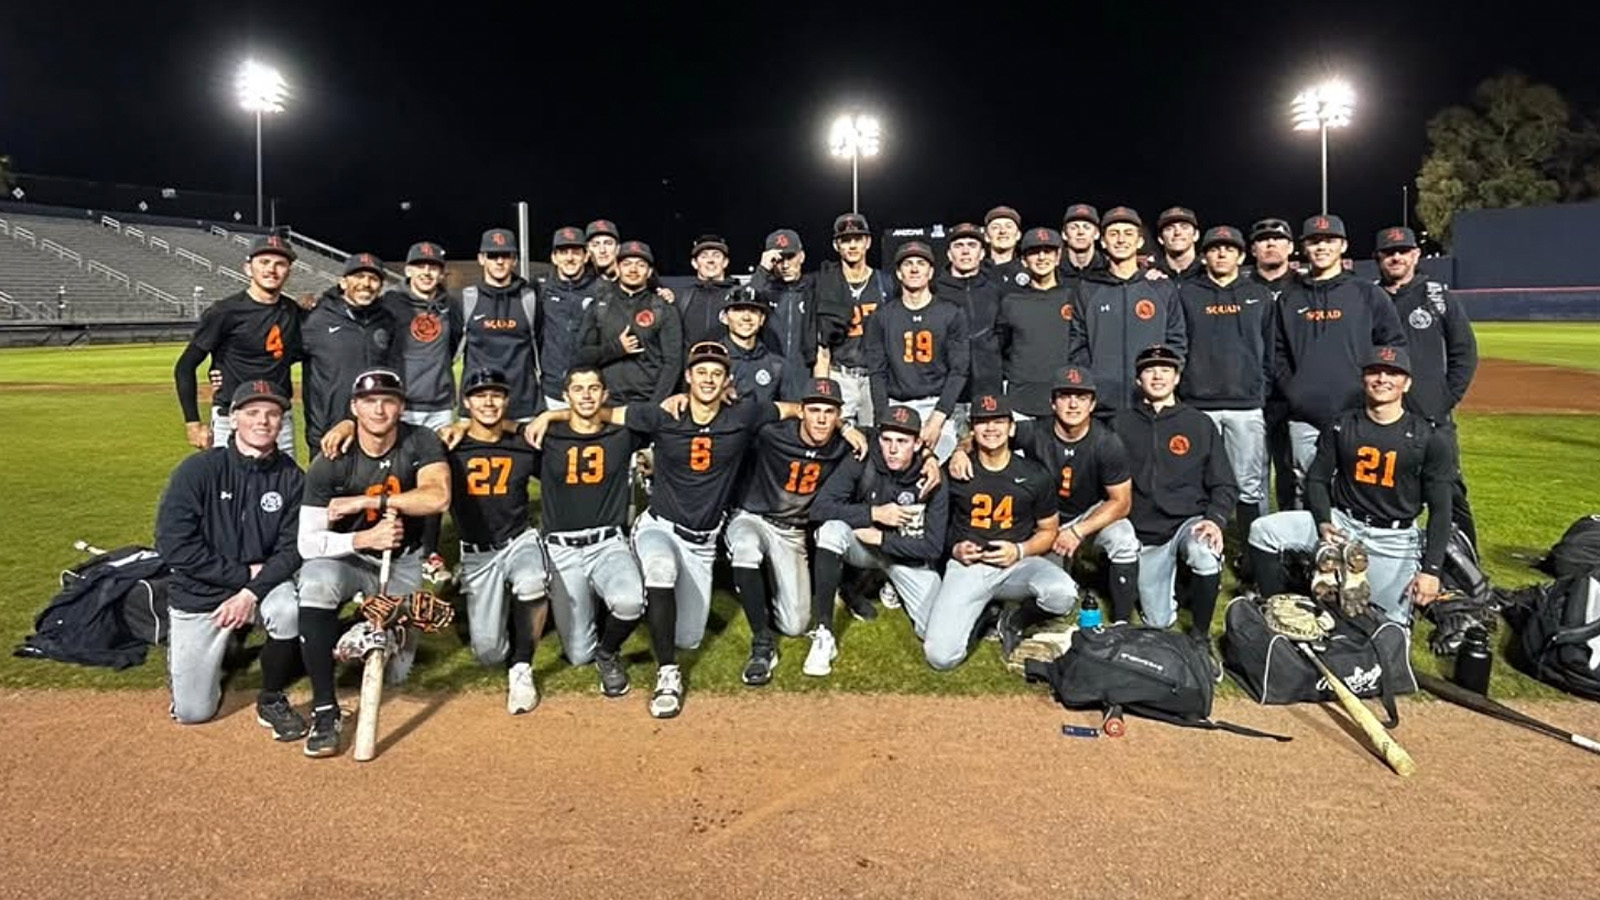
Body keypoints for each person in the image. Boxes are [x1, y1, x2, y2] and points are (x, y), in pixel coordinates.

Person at [527, 341, 807, 718]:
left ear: (727, 381)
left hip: (703, 540)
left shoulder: (744, 414)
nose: (708, 379)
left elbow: (796, 409)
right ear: (688, 377)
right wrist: (550, 417)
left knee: (688, 637)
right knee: (660, 570)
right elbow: (598, 413)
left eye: (716, 373)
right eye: (701, 372)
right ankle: (667, 674)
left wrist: (848, 430)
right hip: (660, 526)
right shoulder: (662, 415)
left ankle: (652, 618)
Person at [295, 369, 450, 757]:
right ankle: (326, 709)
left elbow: (437, 497)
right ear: (354, 407)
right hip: (347, 555)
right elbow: (307, 542)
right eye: (368, 402)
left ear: (401, 406)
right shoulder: (331, 459)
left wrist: (370, 503)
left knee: (396, 672)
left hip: (401, 560)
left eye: (388, 401)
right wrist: (364, 537)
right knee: (315, 582)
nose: (379, 409)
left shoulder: (420, 441)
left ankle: (354, 628)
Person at [1248, 346, 1454, 624]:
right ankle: (1275, 607)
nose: (1382, 379)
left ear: (1407, 383)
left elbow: (1441, 511)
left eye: (1393, 373)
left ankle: (1341, 578)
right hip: (1342, 525)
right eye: (1374, 372)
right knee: (1264, 531)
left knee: (1389, 627)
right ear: (1363, 379)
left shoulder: (1428, 437)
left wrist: (1431, 571)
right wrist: (1323, 521)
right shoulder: (1342, 425)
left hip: (1394, 539)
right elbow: (1317, 479)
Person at [156, 381, 305, 738]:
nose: (263, 421)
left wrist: (250, 592)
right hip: (201, 591)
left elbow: (293, 550)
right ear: (233, 418)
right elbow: (173, 545)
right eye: (252, 412)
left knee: (288, 608)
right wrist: (239, 575)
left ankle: (271, 697)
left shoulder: (292, 478)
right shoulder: (198, 470)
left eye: (272, 414)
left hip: (260, 587)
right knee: (194, 712)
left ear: (282, 422)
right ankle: (208, 649)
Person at [948, 365, 1139, 622]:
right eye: (1065, 396)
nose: (1073, 405)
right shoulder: (1035, 431)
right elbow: (987, 435)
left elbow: (1122, 502)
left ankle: (1122, 622)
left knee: (1124, 537)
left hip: (1087, 517)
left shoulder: (1106, 442)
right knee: (1052, 589)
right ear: (1052, 403)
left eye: (1081, 397)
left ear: (1092, 404)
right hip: (1044, 522)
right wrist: (960, 451)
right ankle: (1007, 614)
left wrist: (1077, 531)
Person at [724, 377, 860, 685]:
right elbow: (742, 415)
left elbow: (894, 441)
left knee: (796, 624)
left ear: (839, 416)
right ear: (801, 411)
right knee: (745, 548)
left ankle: (760, 589)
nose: (822, 418)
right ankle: (762, 645)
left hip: (793, 533)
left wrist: (932, 459)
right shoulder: (772, 434)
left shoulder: (843, 445)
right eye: (814, 410)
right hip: (754, 518)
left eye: (829, 411)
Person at [924, 393, 1073, 670]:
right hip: (969, 567)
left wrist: (1020, 550)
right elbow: (934, 528)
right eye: (983, 422)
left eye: (998, 421)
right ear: (972, 429)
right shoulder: (954, 472)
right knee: (941, 658)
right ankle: (984, 615)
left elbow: (1049, 530)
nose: (991, 428)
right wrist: (955, 548)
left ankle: (1013, 619)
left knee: (1062, 594)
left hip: (1018, 563)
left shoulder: (1034, 475)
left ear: (1012, 427)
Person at [534, 366, 650, 698]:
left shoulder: (622, 434)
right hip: (562, 549)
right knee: (577, 655)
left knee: (630, 603)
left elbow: (656, 418)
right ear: (566, 395)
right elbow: (500, 431)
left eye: (593, 388)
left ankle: (608, 651)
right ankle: (589, 618)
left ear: (604, 395)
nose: (586, 395)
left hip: (607, 544)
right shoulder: (546, 438)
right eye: (578, 389)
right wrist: (548, 418)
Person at [808, 404, 948, 676]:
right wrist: (872, 514)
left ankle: (885, 582)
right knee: (831, 531)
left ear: (918, 443)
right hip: (866, 548)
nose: (893, 449)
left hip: (909, 558)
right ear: (878, 439)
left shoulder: (932, 477)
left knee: (933, 631)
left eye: (903, 441)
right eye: (887, 440)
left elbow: (933, 547)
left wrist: (882, 537)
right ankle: (823, 632)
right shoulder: (863, 459)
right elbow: (820, 508)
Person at [1274, 215, 1407, 493]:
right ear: (1304, 248)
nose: (1321, 247)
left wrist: (1374, 394)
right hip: (1304, 417)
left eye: (1329, 241)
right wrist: (1296, 391)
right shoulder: (1289, 297)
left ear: (1343, 246)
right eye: (1313, 241)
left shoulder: (1367, 293)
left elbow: (1392, 346)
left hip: (1357, 414)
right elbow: (1277, 352)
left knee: (1357, 490)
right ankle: (1311, 539)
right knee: (1306, 488)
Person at [1114, 346, 1237, 642]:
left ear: (1177, 378)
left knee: (1204, 551)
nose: (1158, 376)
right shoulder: (1120, 423)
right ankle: (1175, 589)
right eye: (1149, 370)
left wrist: (1215, 519)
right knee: (1159, 621)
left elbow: (1225, 483)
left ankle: (1199, 637)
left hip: (1187, 522)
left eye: (1166, 370)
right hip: (1144, 530)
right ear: (1138, 379)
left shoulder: (1198, 423)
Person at [445, 368, 548, 715]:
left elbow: (561, 467)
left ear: (506, 400)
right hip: (477, 552)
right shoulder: (449, 446)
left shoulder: (523, 444)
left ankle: (523, 666)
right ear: (466, 402)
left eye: (496, 395)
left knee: (532, 581)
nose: (488, 402)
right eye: (480, 395)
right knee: (489, 654)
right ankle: (498, 606)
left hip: (518, 539)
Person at [1375, 225, 1480, 549]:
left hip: (1431, 413)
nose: (1396, 257)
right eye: (1389, 252)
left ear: (1415, 255)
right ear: (1379, 257)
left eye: (1403, 251)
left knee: (1447, 489)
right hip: (1385, 414)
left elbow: (1465, 351)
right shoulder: (1371, 298)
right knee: (1384, 485)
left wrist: (1446, 398)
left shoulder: (1436, 295)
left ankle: (1465, 561)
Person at [1176, 225, 1275, 549]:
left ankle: (1252, 554)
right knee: (1194, 482)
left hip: (1244, 405)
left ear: (1241, 255)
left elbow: (1271, 350)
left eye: (1229, 248)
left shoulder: (1258, 294)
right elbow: (1179, 344)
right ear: (1204, 256)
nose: (1221, 253)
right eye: (1215, 248)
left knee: (1248, 486)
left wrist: (1260, 388)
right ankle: (1199, 553)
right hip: (1197, 404)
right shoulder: (1187, 293)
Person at [174, 233, 300, 455]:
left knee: (283, 487)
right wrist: (192, 423)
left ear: (288, 271)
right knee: (228, 487)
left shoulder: (293, 312)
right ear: (248, 268)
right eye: (264, 262)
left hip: (278, 418)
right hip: (231, 417)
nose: (271, 269)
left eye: (280, 264)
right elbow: (185, 366)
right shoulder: (224, 312)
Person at [1069, 207, 1187, 419]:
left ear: (1140, 242)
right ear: (1103, 242)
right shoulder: (1088, 288)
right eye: (1114, 234)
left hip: (1151, 405)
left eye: (1128, 233)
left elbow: (1176, 341)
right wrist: (1092, 383)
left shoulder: (1161, 287)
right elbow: (1078, 342)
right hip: (1101, 407)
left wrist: (1163, 385)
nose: (1121, 240)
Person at [866, 240, 970, 459]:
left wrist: (938, 418)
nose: (914, 268)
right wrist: (884, 417)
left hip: (936, 405)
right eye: (908, 264)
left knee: (943, 466)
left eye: (921, 263)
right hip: (897, 403)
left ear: (930, 271)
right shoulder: (882, 317)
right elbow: (877, 372)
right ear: (899, 272)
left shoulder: (951, 313)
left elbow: (959, 370)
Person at [300, 253, 400, 451]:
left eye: (373, 278)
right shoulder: (315, 319)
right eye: (358, 276)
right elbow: (278, 357)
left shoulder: (387, 321)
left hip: (373, 431)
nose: (366, 283)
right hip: (327, 434)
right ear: (343, 282)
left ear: (380, 286)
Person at [574, 240, 684, 404]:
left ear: (649, 272)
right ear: (617, 269)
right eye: (627, 264)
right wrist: (616, 348)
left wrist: (655, 405)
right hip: (606, 403)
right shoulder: (599, 306)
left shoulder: (663, 308)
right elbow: (581, 356)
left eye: (640, 265)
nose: (633, 270)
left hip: (647, 401)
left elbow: (673, 363)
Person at [461, 227, 542, 422]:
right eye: (493, 255)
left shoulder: (529, 298)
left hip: (523, 407)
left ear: (514, 259)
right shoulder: (466, 299)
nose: (499, 261)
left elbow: (540, 346)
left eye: (506, 255)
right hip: (478, 405)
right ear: (481, 259)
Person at [993, 227, 1075, 419]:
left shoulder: (1074, 296)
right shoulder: (1010, 301)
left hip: (1064, 400)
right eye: (1033, 252)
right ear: (1023, 260)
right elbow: (1001, 347)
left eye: (1047, 251)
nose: (1041, 257)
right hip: (1020, 401)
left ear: (1058, 257)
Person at [817, 212, 891, 426]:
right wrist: (823, 385)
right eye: (845, 240)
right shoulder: (826, 284)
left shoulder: (884, 283)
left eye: (857, 239)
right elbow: (822, 345)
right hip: (840, 374)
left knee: (876, 438)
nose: (852, 246)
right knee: (835, 439)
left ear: (867, 242)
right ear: (836, 245)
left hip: (874, 377)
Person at [1249, 217, 1300, 512]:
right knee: (1253, 474)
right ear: (1253, 249)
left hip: (1292, 396)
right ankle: (1258, 542)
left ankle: (1293, 542)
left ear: (1290, 247)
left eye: (1277, 239)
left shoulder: (1305, 286)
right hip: (1252, 396)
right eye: (1263, 239)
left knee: (1292, 472)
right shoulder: (1241, 288)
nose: (1270, 244)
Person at [752, 228, 836, 400]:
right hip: (767, 375)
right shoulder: (763, 292)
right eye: (778, 259)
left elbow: (823, 344)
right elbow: (741, 309)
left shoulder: (815, 289)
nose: (785, 265)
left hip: (803, 375)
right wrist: (762, 270)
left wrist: (820, 387)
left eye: (790, 257)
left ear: (802, 257)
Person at [385, 241, 460, 432]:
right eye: (420, 266)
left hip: (440, 407)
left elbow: (452, 346)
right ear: (408, 270)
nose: (426, 272)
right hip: (402, 404)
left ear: (442, 274)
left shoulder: (451, 305)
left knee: (439, 461)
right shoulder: (390, 303)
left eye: (433, 267)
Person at [933, 221, 1004, 412]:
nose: (965, 251)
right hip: (946, 393)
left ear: (981, 253)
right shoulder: (934, 291)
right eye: (959, 246)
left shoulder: (994, 290)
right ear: (949, 254)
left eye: (972, 246)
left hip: (988, 389)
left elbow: (1004, 335)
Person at [535, 226, 602, 412]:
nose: (570, 258)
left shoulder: (602, 289)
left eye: (576, 252)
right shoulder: (540, 288)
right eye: (563, 252)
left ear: (586, 256)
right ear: (554, 257)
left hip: (591, 389)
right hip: (553, 390)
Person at [722, 289, 786, 407]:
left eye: (753, 311)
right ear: (725, 318)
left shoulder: (777, 364)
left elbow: (791, 410)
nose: (746, 317)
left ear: (762, 319)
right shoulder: (710, 360)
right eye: (739, 310)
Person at [677, 234, 740, 349]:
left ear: (725, 262)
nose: (710, 261)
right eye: (704, 256)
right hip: (691, 365)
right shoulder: (682, 297)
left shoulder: (737, 295)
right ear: (694, 263)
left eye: (716, 256)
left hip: (730, 365)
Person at [1059, 203, 1109, 287]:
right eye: (1073, 227)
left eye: (1087, 227)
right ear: (1064, 234)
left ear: (1097, 234)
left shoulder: (1109, 267)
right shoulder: (1052, 269)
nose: (1080, 232)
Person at [1153, 206, 1204, 281]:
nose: (1177, 232)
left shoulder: (1208, 273)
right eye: (1169, 228)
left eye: (1184, 227)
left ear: (1196, 235)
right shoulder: (1150, 276)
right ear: (1160, 239)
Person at [983, 205, 1025, 284]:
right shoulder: (977, 272)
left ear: (1018, 235)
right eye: (995, 227)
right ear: (986, 236)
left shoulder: (1028, 272)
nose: (1002, 231)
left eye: (1009, 226)